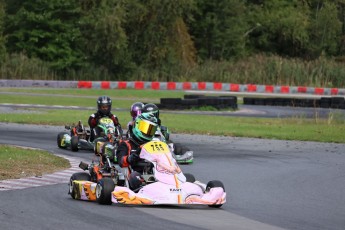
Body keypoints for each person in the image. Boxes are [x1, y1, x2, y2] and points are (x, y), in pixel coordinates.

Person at [116, 112, 159, 191]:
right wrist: (132, 157)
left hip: (156, 174)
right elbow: (121, 161)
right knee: (134, 177)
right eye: (146, 128)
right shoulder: (126, 144)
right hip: (137, 175)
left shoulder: (154, 145)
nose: (148, 132)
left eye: (151, 130)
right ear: (137, 125)